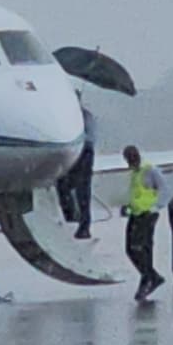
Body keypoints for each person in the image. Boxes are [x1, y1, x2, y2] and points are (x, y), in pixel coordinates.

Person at [121, 145, 167, 300]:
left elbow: (163, 188)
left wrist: (156, 207)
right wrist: (128, 207)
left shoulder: (149, 170)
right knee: (130, 249)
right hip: (136, 214)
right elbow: (138, 195)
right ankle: (150, 276)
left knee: (143, 248)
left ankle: (148, 278)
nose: (129, 162)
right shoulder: (135, 173)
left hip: (147, 215)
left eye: (131, 158)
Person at [55, 96, 96, 238]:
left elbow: (88, 138)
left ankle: (84, 225)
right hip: (72, 152)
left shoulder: (85, 116)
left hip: (84, 153)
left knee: (82, 190)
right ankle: (71, 215)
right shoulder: (67, 116)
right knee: (63, 184)